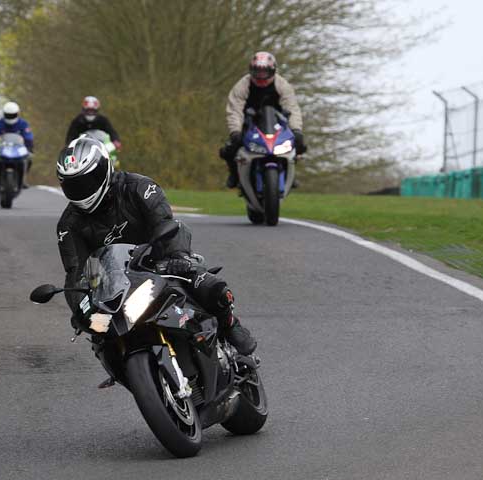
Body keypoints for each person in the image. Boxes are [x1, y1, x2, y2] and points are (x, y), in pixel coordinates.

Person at [55, 136, 257, 355]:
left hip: (162, 261)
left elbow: (166, 222)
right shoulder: (69, 225)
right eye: (73, 185)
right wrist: (79, 309)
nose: (82, 190)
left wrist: (178, 256)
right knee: (101, 337)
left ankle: (230, 324)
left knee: (211, 288)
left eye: (86, 181)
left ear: (105, 169)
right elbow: (76, 272)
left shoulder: (139, 187)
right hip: (114, 284)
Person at [220, 51, 306, 189]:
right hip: (250, 122)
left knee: (298, 144)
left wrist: (296, 130)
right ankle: (234, 174)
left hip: (277, 124)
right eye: (257, 72)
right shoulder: (242, 85)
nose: (261, 76)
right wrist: (235, 131)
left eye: (264, 72)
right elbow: (234, 110)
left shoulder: (283, 85)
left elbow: (292, 108)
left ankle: (290, 173)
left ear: (272, 71)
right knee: (229, 148)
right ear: (251, 70)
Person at [0, 101, 34, 188]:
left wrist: (29, 148)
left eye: (12, 115)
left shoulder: (23, 124)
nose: (10, 117)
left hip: (18, 149)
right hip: (3, 148)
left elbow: (28, 137)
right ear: (4, 114)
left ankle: (23, 179)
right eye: (8, 115)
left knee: (29, 158)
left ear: (17, 113)